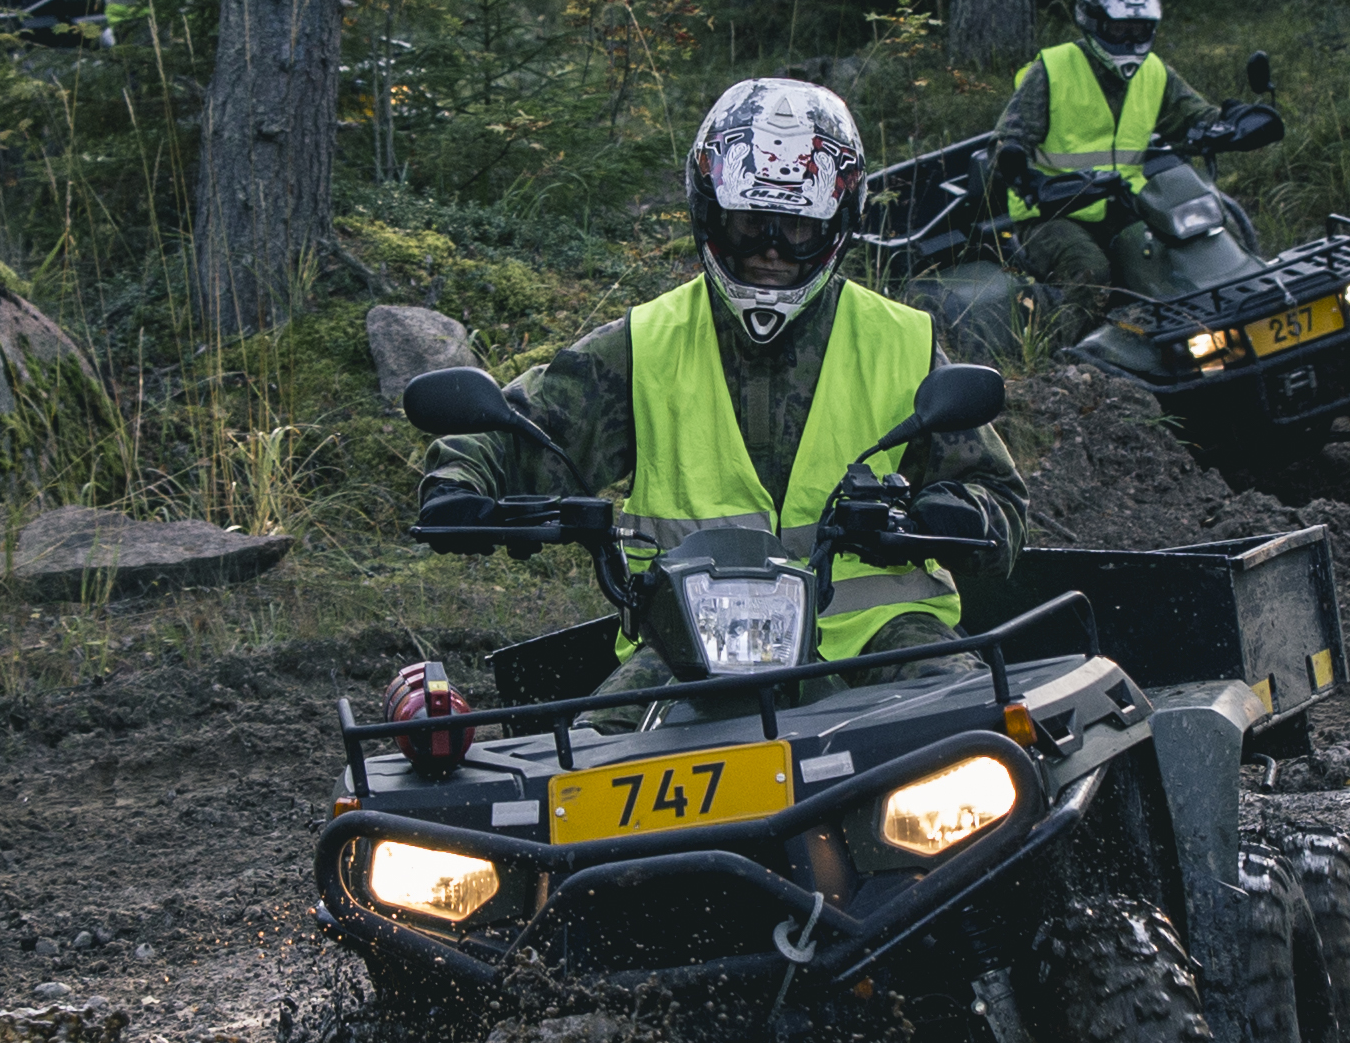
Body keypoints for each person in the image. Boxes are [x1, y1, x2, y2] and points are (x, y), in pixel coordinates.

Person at [419, 78, 1029, 686]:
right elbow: (525, 428)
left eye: (795, 229)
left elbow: (1001, 503)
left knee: (981, 734)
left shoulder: (902, 342)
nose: (769, 250)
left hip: (881, 638)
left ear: (837, 224)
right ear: (709, 215)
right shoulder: (642, 344)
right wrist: (459, 484)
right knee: (595, 759)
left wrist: (955, 517)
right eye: (748, 224)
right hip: (689, 644)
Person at [992, 0, 1215, 316]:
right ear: (1093, 21)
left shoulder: (1154, 71)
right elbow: (1008, 138)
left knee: (1194, 237)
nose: (1129, 40)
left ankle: (1205, 326)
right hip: (1053, 212)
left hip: (1126, 203)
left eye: (1139, 29)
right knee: (1090, 270)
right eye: (1118, 28)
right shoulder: (1053, 69)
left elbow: (1196, 117)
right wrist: (1023, 174)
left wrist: (1233, 123)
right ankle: (1069, 358)